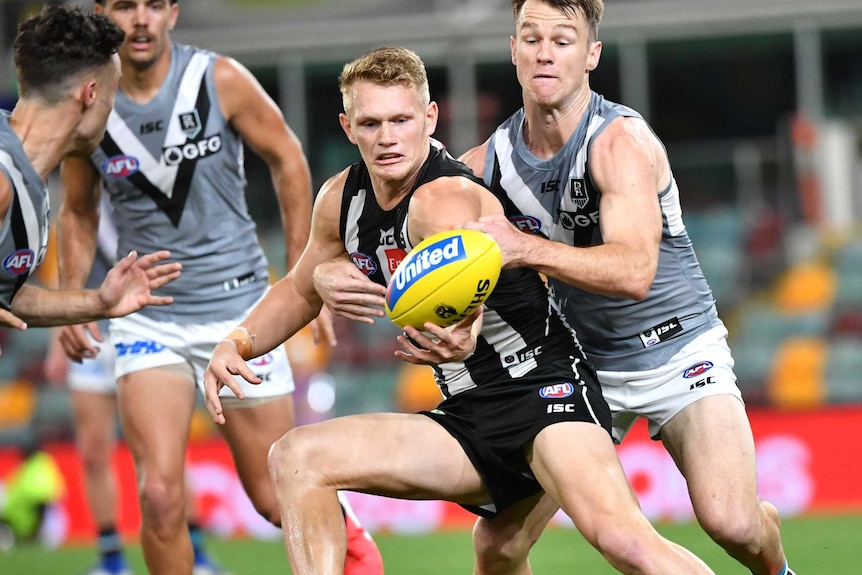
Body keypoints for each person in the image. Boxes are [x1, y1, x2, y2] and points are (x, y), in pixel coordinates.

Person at [315, 3, 794, 575]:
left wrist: (524, 248)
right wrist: (326, 275)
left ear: (591, 54)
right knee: (498, 548)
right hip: (577, 368)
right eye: (531, 38)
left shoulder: (620, 144)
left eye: (563, 40)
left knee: (732, 523)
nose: (545, 51)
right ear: (513, 50)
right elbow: (395, 222)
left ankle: (777, 569)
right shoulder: (484, 164)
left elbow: (635, 273)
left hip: (676, 350)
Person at [204, 45, 715, 575]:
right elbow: (298, 288)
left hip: (542, 393)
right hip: (468, 413)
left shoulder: (442, 197)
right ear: (347, 125)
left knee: (623, 541)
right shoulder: (341, 199)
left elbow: (462, 269)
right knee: (297, 458)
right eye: (371, 122)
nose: (387, 137)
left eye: (401, 119)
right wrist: (236, 342)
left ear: (429, 118)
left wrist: (464, 328)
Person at [54, 2, 381, 574]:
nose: (140, 19)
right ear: (104, 12)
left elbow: (288, 157)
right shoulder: (89, 100)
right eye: (125, 5)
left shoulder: (217, 79)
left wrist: (305, 270)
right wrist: (69, 300)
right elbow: (78, 211)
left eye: (153, 5)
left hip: (241, 314)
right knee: (157, 495)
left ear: (172, 13)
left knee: (273, 497)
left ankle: (354, 542)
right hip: (147, 316)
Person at [42, 198, 225, 575]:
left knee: (169, 449)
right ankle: (111, 558)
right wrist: (59, 333)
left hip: (150, 328)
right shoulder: (78, 200)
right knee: (93, 451)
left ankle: (197, 551)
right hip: (94, 331)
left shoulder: (149, 187)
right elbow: (64, 274)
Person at [0, 6, 179, 333]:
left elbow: (8, 299)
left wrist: (98, 303)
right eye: (114, 92)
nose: (113, 109)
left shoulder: (28, 177)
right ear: (91, 94)